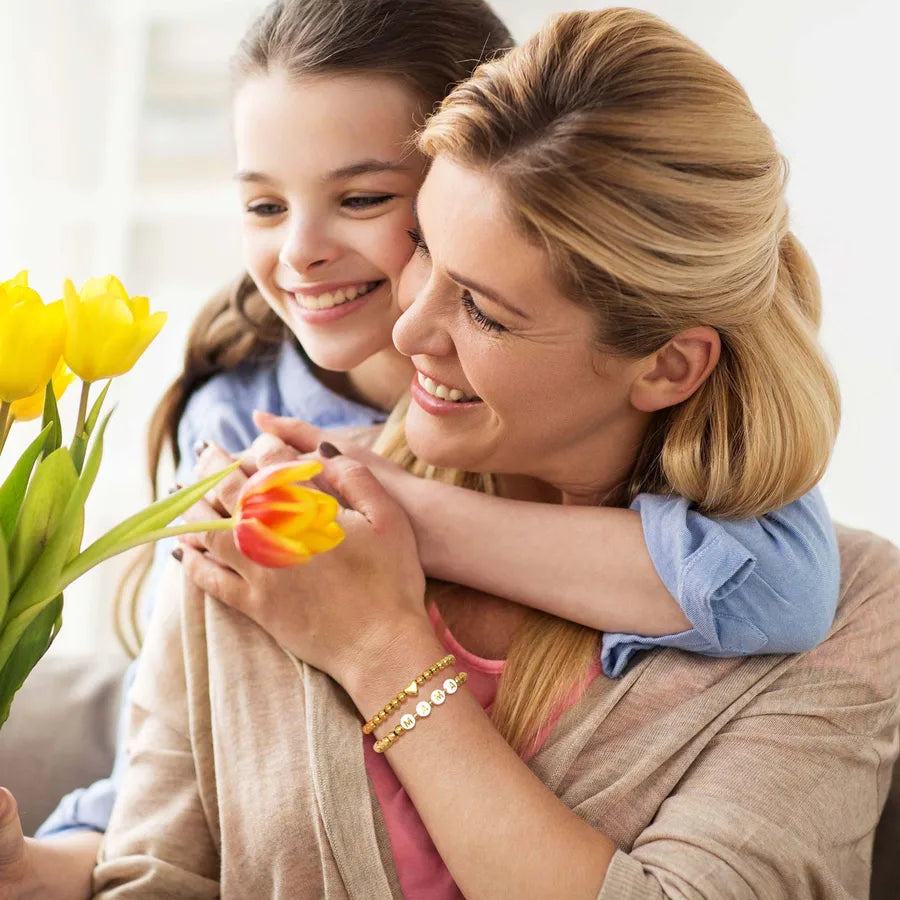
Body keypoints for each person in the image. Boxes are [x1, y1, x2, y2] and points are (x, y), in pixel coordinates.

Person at [0, 0, 840, 894]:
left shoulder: (777, 572)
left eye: (364, 199)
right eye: (262, 203)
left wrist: (396, 530)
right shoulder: (241, 424)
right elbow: (170, 788)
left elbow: (774, 587)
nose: (408, 331)